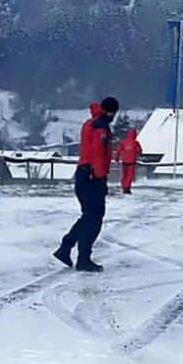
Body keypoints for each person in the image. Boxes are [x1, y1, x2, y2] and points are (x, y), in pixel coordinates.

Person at [53, 96, 119, 273]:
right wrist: (99, 178)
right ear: (112, 112)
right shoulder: (101, 127)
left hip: (83, 175)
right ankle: (82, 257)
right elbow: (98, 153)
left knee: (88, 217)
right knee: (94, 219)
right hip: (91, 177)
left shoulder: (91, 123)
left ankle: (66, 248)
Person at [115, 128, 142, 194]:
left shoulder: (123, 142)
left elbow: (118, 151)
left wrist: (117, 159)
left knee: (124, 175)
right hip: (132, 161)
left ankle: (123, 186)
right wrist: (138, 154)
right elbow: (139, 151)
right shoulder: (136, 143)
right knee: (130, 175)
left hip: (124, 161)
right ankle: (127, 187)